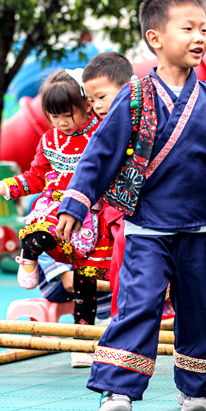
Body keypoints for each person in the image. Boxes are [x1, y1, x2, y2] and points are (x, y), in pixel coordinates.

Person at [55, 0, 206, 411]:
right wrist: (74, 206)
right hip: (147, 229)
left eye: (203, 30)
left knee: (204, 308)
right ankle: (118, 390)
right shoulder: (132, 98)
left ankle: (196, 387)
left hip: (205, 229)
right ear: (155, 38)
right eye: (187, 28)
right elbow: (99, 155)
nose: (199, 37)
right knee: (138, 303)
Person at [0, 70, 111, 330]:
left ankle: (83, 339)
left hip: (91, 215)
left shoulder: (100, 132)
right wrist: (4, 187)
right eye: (55, 116)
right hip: (55, 207)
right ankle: (28, 259)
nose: (62, 122)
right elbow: (36, 177)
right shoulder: (49, 139)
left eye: (68, 114)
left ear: (86, 105)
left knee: (85, 282)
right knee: (38, 232)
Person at [81, 51, 134, 318]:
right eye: (92, 100)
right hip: (114, 216)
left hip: (143, 215)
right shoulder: (99, 130)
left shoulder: (144, 121)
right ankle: (120, 320)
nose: (97, 106)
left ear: (127, 87)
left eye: (101, 97)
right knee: (119, 269)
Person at [35, 253, 113, 367]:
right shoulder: (49, 241)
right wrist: (119, 284)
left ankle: (104, 317)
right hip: (56, 284)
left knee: (101, 257)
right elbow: (70, 283)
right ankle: (81, 345)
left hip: (83, 274)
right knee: (90, 267)